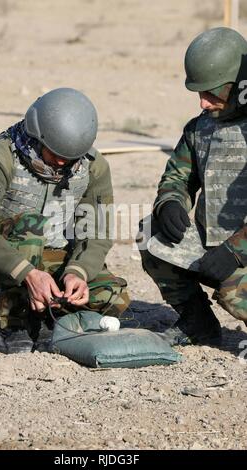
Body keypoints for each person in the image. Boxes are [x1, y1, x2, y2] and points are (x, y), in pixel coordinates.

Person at [0, 87, 130, 354]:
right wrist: (27, 273)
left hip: (52, 253)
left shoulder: (93, 166)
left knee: (111, 295)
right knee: (31, 228)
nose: (62, 162)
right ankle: (12, 321)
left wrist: (77, 272)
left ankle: (50, 315)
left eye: (70, 158)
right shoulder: (1, 157)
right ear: (37, 137)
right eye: (54, 152)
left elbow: (97, 232)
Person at [138, 27, 247, 346]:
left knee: (233, 292)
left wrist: (234, 251)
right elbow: (177, 176)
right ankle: (197, 323)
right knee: (151, 233)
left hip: (237, 251)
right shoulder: (200, 129)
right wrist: (170, 202)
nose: (202, 102)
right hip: (214, 244)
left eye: (211, 92)